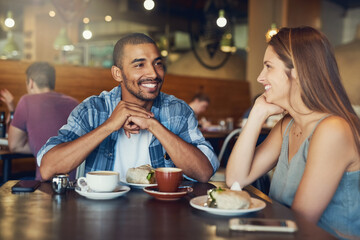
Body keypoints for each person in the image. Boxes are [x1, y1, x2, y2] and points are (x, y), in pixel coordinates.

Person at [225, 26, 360, 239]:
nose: (260, 78)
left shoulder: (333, 130)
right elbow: (235, 179)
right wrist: (257, 114)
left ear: (297, 70)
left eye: (268, 67)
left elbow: (298, 223)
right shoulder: (288, 125)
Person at [38, 33, 219, 183]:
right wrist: (109, 126)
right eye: (140, 65)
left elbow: (203, 172)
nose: (153, 73)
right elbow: (48, 168)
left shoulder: (178, 111)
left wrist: (153, 125)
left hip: (162, 216)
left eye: (158, 63)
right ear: (118, 73)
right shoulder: (92, 109)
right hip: (100, 219)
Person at [1, 62, 79, 181]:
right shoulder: (75, 103)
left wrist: (41, 146)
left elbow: (15, 145)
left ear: (31, 82)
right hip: (78, 184)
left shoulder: (27, 101)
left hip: (46, 185)